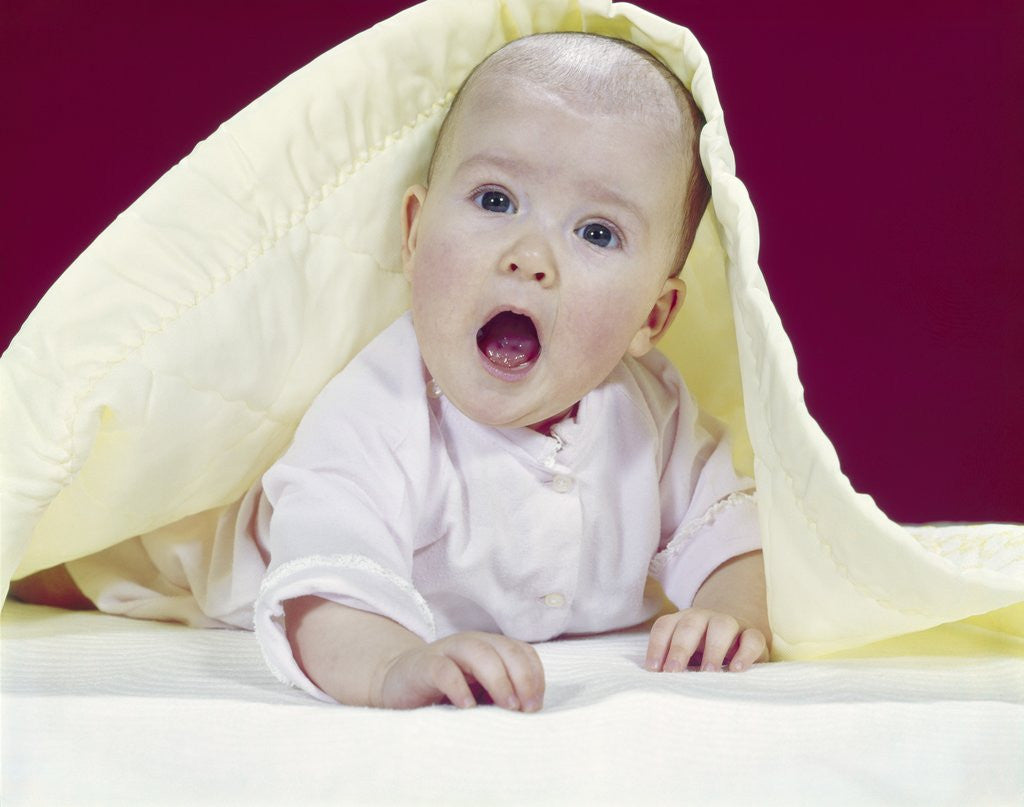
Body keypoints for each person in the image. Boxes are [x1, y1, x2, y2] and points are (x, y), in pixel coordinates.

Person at [11, 32, 770, 712]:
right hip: (227, 554)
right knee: (106, 563)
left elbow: (732, 536)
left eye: (597, 232)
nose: (529, 257)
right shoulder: (382, 408)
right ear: (413, 235)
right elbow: (324, 593)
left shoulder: (655, 413)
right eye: (496, 199)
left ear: (653, 319)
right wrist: (392, 664)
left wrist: (727, 612)